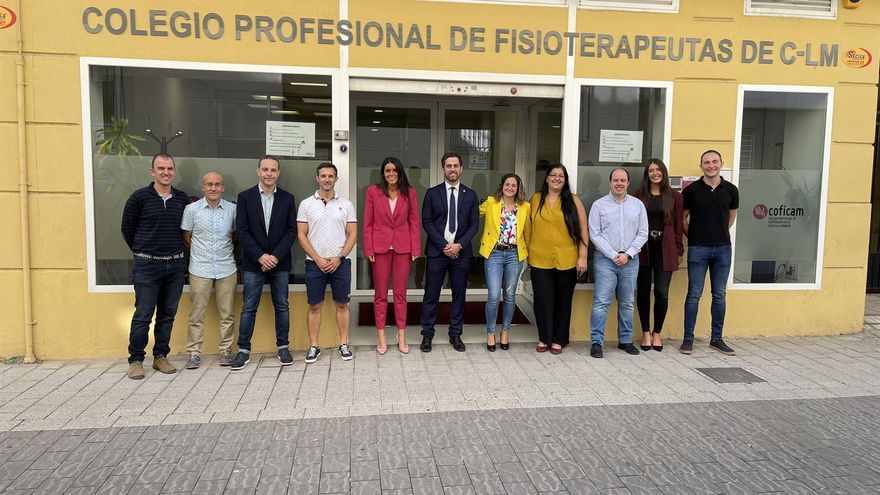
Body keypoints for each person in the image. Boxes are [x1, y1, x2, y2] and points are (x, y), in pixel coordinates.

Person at [121, 153, 190, 379]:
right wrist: (144, 251)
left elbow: (185, 231)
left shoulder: (181, 199)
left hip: (175, 265)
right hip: (147, 265)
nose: (166, 172)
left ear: (174, 172)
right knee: (143, 314)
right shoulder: (139, 198)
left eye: (170, 168)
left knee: (167, 315)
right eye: (161, 168)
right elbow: (127, 229)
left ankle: (161, 356)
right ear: (152, 172)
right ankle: (136, 360)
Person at [231, 155, 297, 371]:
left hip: (280, 262)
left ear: (278, 173)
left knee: (282, 305)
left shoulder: (287, 198)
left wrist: (275, 256)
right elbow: (242, 230)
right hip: (254, 262)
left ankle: (283, 347)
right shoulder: (245, 197)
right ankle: (243, 350)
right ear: (258, 171)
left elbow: (291, 231)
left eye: (273, 170)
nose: (269, 174)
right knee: (249, 307)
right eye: (265, 169)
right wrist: (260, 255)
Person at [297, 162, 358, 363]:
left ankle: (343, 344)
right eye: (323, 176)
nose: (326, 179)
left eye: (330, 176)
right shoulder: (306, 204)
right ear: (317, 178)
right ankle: (314, 346)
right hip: (314, 263)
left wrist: (339, 258)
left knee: (342, 303)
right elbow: (301, 235)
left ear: (336, 179)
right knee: (315, 305)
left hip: (340, 263)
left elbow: (352, 235)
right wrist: (317, 259)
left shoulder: (346, 205)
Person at [681, 150, 739, 356]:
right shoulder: (691, 191)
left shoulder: (731, 190)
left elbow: (731, 218)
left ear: (721, 163)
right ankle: (688, 338)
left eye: (715, 162)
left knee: (720, 294)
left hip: (723, 248)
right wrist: (694, 236)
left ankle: (717, 338)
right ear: (701, 166)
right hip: (698, 248)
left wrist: (719, 233)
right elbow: (682, 219)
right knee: (694, 294)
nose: (711, 165)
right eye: (707, 162)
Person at [420, 152, 479, 353]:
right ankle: (427, 335)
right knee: (431, 295)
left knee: (459, 296)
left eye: (455, 166)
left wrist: (458, 245)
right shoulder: (432, 193)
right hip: (437, 253)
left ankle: (455, 334)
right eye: (448, 166)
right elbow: (426, 222)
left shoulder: (470, 195)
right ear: (443, 168)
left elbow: (474, 225)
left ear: (461, 169)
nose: (452, 169)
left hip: (461, 254)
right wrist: (445, 245)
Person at [528, 164, 589, 355]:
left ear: (565, 179)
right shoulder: (536, 199)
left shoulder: (573, 200)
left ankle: (558, 339)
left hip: (567, 258)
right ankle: (544, 337)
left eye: (561, 175)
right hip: (539, 258)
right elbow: (528, 228)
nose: (556, 178)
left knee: (563, 301)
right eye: (552, 175)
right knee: (542, 301)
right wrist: (527, 253)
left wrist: (583, 256)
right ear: (546, 178)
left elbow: (583, 229)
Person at [362, 157, 421, 355]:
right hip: (379, 248)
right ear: (383, 173)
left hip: (403, 248)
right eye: (387, 170)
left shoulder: (410, 193)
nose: (391, 174)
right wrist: (368, 248)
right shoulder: (373, 191)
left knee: (400, 294)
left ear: (400, 172)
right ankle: (381, 336)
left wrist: (416, 249)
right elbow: (367, 223)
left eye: (394, 170)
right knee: (380, 294)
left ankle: (401, 335)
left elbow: (414, 222)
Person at [588, 168, 648, 358]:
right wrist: (614, 254)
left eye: (623, 180)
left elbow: (643, 232)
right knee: (601, 303)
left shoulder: (638, 205)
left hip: (630, 261)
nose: (619, 183)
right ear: (610, 182)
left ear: (628, 183)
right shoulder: (599, 205)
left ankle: (625, 340)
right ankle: (597, 342)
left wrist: (628, 254)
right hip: (605, 260)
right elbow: (594, 234)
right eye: (615, 180)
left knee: (627, 302)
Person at [180, 171, 237, 369]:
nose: (213, 188)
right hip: (200, 268)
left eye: (217, 184)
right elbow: (186, 238)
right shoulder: (191, 210)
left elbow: (235, 236)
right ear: (203, 187)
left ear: (222, 187)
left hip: (226, 267)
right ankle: (194, 353)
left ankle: (225, 350)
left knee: (227, 313)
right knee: (196, 314)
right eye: (209, 184)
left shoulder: (232, 210)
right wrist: (199, 255)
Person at [634, 159, 683, 352]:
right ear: (647, 174)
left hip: (666, 248)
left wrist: (679, 250)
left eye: (658, 169)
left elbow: (678, 226)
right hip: (643, 248)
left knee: (662, 292)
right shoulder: (639, 196)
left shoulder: (675, 197)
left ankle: (657, 333)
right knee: (644, 290)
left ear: (663, 172)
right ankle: (645, 332)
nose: (655, 173)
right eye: (651, 170)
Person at [479, 173, 531, 352]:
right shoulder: (491, 203)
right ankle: (491, 333)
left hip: (514, 255)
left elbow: (528, 233)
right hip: (494, 253)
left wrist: (529, 255)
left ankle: (505, 332)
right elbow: (471, 215)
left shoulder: (525, 207)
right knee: (494, 295)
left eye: (513, 185)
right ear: (502, 186)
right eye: (507, 184)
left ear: (518, 188)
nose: (510, 188)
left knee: (509, 296)